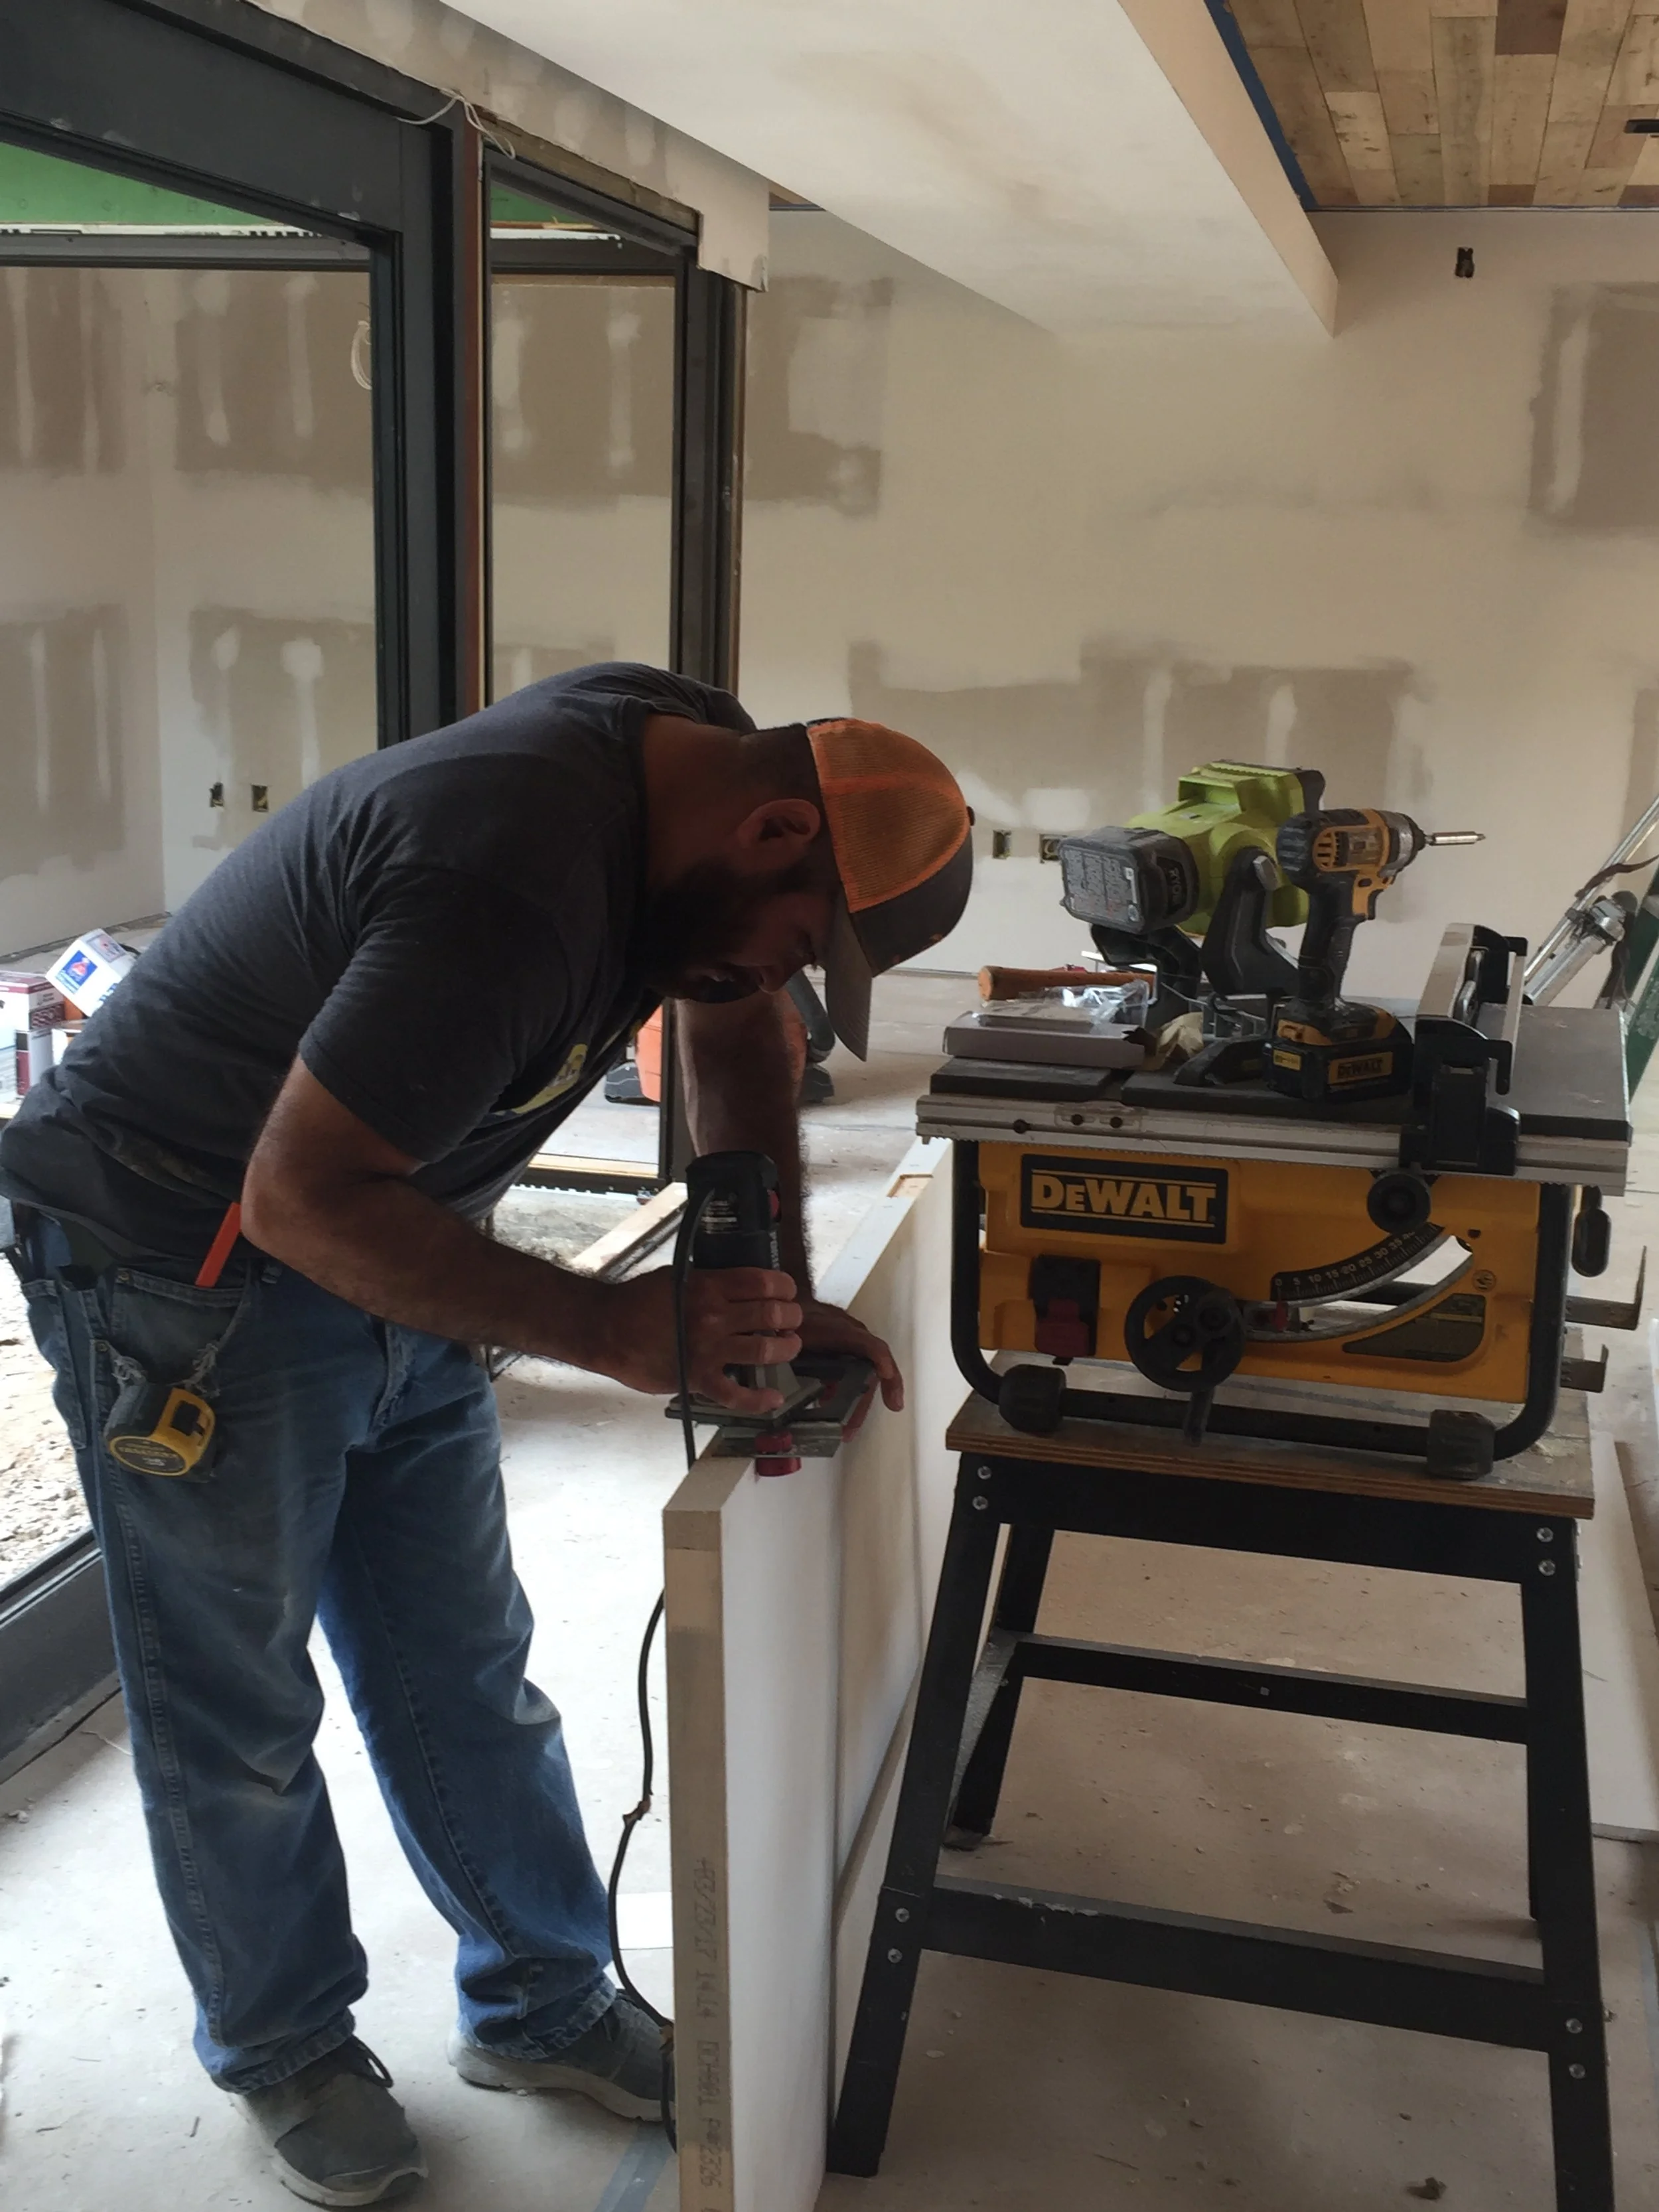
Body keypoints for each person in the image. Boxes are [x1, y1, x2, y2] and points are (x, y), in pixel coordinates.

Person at [0, 662, 972, 2207]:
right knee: (236, 1706)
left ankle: (543, 2002)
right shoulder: (508, 877)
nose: (781, 977)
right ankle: (289, 2047)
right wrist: (608, 1328)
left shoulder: (690, 764)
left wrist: (761, 1283)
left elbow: (731, 1026)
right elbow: (295, 1198)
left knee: (461, 1660)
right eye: (802, 940)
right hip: (178, 1269)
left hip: (392, 1232)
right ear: (774, 826)